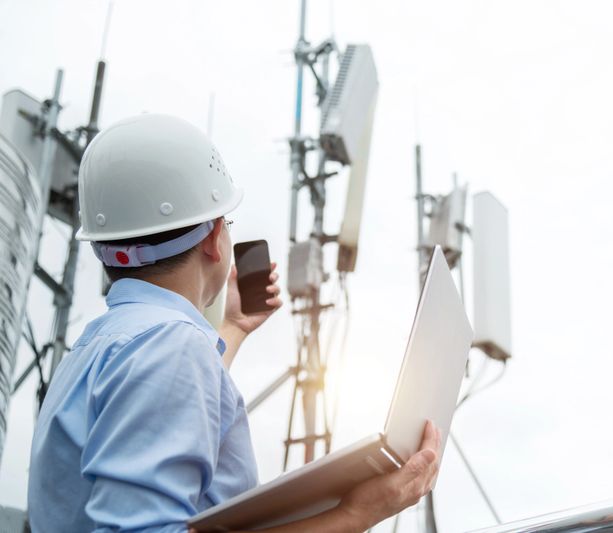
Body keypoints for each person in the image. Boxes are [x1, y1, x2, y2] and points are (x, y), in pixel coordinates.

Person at [27, 114, 441, 532]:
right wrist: (357, 514)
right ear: (213, 239)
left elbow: (160, 404)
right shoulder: (172, 347)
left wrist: (234, 328)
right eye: (226, 222)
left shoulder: (94, 348)